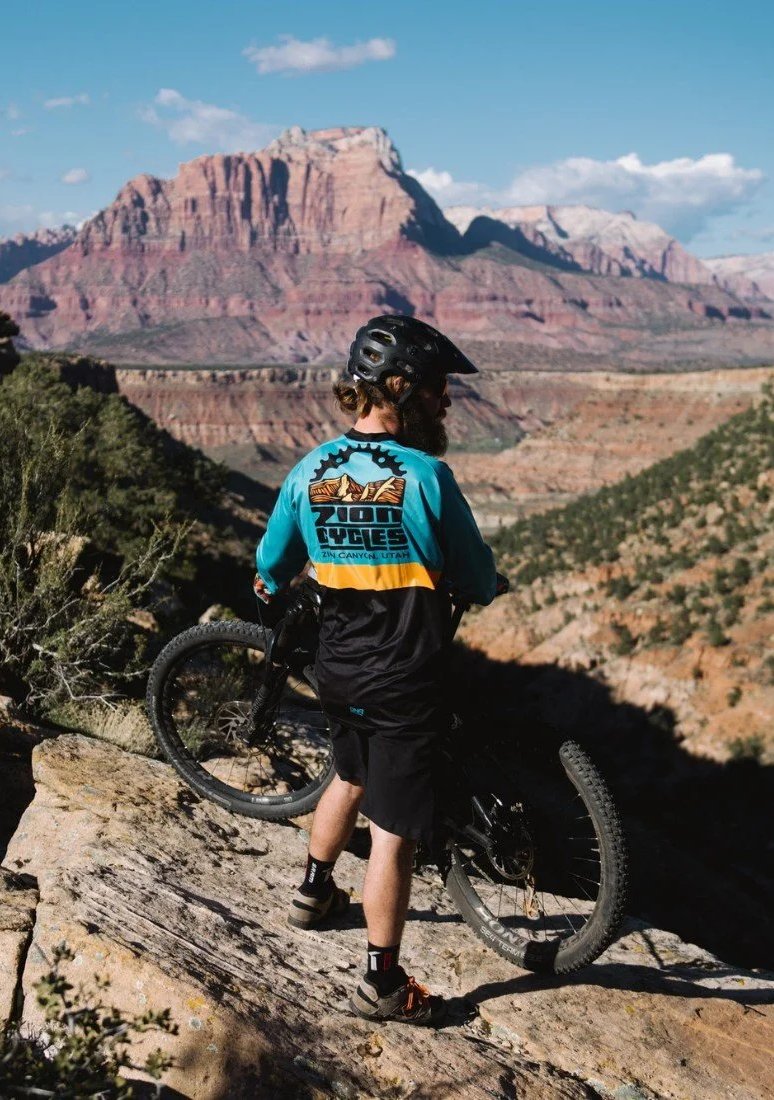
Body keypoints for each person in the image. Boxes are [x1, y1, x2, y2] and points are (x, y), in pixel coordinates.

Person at [253, 314, 503, 1026]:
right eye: (436, 389)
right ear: (400, 388)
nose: (445, 402)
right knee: (394, 832)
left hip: (338, 669)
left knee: (349, 774)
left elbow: (272, 566)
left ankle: (312, 893)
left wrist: (274, 588)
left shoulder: (310, 470)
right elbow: (478, 578)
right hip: (406, 677)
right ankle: (383, 984)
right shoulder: (426, 477)